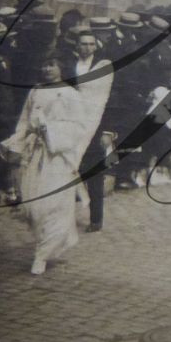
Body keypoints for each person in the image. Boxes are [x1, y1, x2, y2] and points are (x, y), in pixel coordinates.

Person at [0, 57, 100, 275]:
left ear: (61, 67)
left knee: (54, 203)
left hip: (58, 157)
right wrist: (17, 142)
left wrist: (51, 131)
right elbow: (25, 122)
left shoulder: (71, 95)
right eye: (44, 65)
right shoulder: (35, 91)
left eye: (52, 64)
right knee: (33, 207)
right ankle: (55, 239)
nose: (47, 69)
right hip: (36, 154)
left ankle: (41, 255)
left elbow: (78, 126)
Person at [65, 30, 115, 232]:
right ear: (76, 46)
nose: (87, 48)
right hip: (71, 124)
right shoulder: (69, 66)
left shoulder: (103, 68)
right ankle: (64, 217)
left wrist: (107, 131)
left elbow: (109, 101)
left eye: (91, 44)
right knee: (68, 169)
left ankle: (96, 218)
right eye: (83, 44)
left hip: (95, 125)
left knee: (94, 174)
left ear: (96, 46)